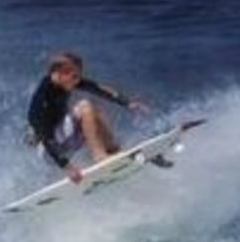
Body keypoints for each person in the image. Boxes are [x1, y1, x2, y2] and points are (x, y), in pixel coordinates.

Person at [27, 52, 149, 184]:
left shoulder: (65, 81)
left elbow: (97, 88)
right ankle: (99, 156)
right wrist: (67, 166)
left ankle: (113, 150)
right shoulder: (42, 99)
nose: (78, 80)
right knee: (85, 107)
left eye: (79, 76)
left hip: (62, 143)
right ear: (59, 73)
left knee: (93, 110)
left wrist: (127, 103)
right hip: (49, 151)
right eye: (74, 76)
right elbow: (45, 137)